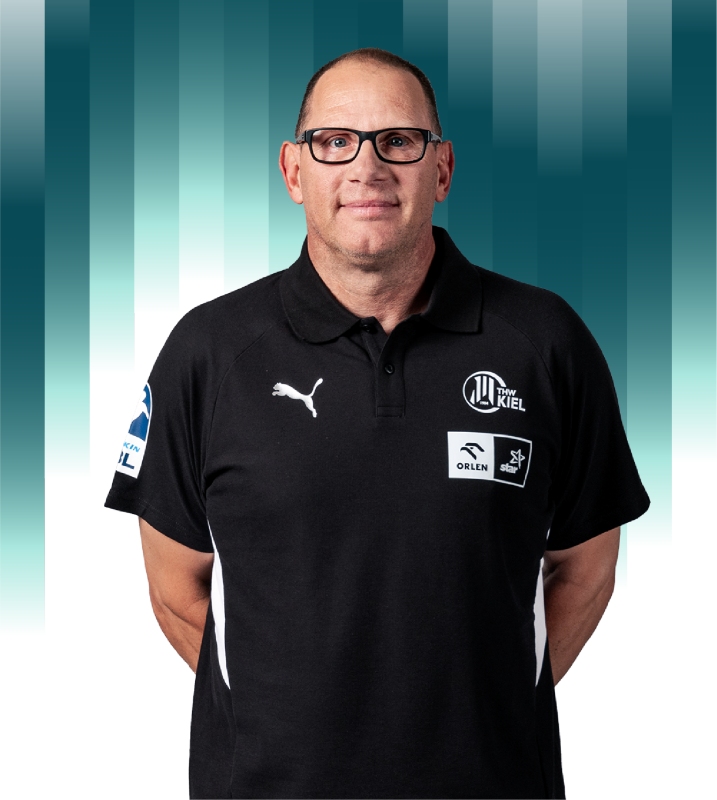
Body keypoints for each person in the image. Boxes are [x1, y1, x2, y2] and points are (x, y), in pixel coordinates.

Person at [105, 48, 649, 799]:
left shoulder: (543, 341)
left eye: (398, 140)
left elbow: (586, 568)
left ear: (442, 169)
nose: (367, 167)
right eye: (335, 142)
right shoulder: (210, 352)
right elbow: (175, 589)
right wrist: (290, 716)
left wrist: (479, 704)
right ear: (293, 171)